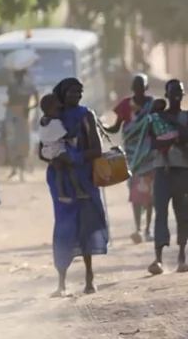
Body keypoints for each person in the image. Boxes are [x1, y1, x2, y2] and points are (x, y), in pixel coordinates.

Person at [41, 78, 109, 297]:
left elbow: (96, 150)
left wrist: (73, 158)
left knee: (86, 227)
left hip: (84, 178)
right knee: (64, 228)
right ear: (62, 93)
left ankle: (89, 278)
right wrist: (55, 159)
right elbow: (42, 149)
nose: (77, 96)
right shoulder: (52, 116)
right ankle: (61, 282)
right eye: (72, 92)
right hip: (60, 179)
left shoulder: (86, 115)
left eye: (80, 92)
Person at [148, 79, 188, 275]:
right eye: (173, 92)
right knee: (161, 214)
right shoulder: (156, 117)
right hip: (161, 170)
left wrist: (174, 127)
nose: (176, 95)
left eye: (179, 92)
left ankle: (182, 256)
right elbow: (151, 142)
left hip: (181, 169)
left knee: (182, 214)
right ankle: (158, 259)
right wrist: (175, 137)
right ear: (166, 94)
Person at [105, 74, 156, 244]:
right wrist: (98, 125)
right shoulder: (125, 105)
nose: (138, 91)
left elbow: (159, 125)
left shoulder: (153, 104)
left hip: (150, 155)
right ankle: (138, 228)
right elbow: (115, 128)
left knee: (150, 195)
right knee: (136, 193)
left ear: (146, 88)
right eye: (136, 87)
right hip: (133, 156)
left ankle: (148, 229)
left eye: (141, 87)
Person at [38, 93, 87, 204]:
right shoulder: (55, 122)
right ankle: (78, 190)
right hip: (57, 150)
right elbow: (67, 135)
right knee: (71, 166)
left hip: (46, 150)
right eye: (56, 110)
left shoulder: (43, 121)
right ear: (50, 110)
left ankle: (61, 194)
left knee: (59, 170)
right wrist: (78, 126)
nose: (59, 112)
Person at [4, 68, 38, 180]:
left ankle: (22, 171)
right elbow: (10, 99)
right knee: (12, 141)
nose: (19, 77)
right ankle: (14, 168)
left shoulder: (30, 86)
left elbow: (36, 100)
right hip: (13, 114)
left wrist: (29, 108)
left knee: (24, 142)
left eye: (20, 74)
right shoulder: (12, 86)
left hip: (24, 115)